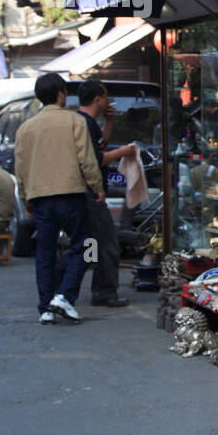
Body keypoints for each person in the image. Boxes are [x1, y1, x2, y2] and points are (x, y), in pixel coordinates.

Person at [14, 73, 104, 324]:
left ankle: (45, 307)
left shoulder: (25, 128)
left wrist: (25, 198)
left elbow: (20, 168)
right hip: (71, 194)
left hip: (40, 198)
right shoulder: (75, 121)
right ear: (62, 94)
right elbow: (86, 159)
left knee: (44, 253)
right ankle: (64, 296)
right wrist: (97, 187)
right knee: (85, 246)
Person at [77, 80, 135, 307]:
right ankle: (105, 291)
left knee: (91, 244)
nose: (108, 101)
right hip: (92, 193)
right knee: (107, 243)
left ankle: (98, 289)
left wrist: (109, 121)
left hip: (89, 192)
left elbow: (101, 144)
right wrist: (123, 152)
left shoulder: (89, 123)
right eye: (106, 97)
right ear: (97, 99)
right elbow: (96, 159)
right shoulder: (83, 123)